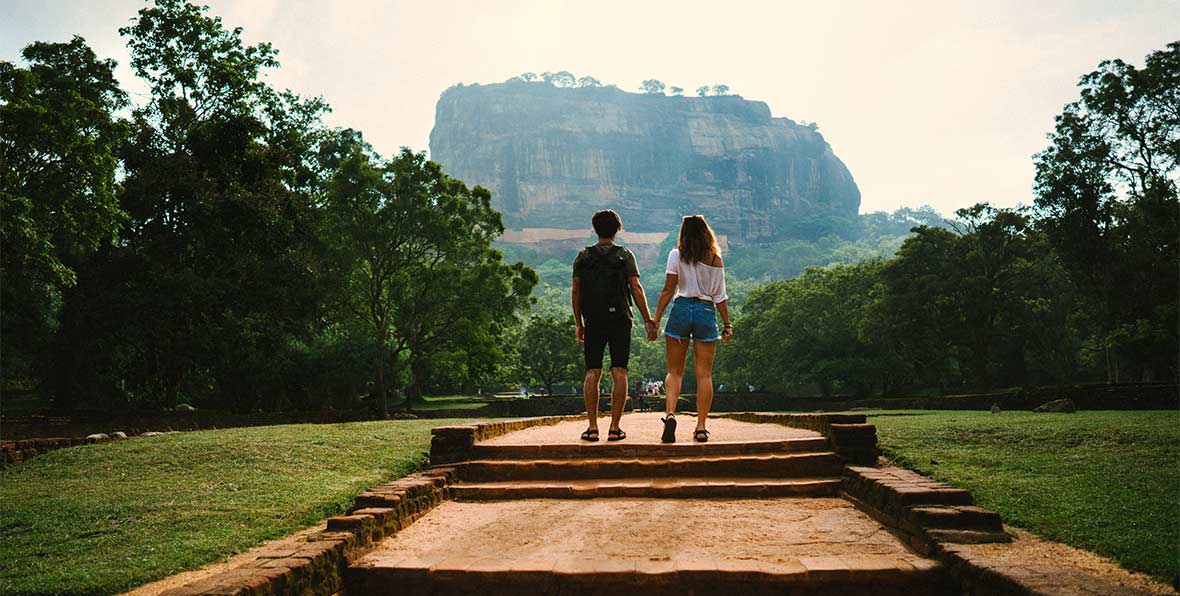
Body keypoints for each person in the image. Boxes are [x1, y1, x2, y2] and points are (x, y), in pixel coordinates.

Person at [572, 210, 657, 441]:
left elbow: (576, 291)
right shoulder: (625, 255)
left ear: (595, 229)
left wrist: (578, 323)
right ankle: (614, 428)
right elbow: (636, 288)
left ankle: (591, 428)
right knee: (619, 371)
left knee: (592, 372)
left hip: (593, 319)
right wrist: (648, 319)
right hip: (620, 319)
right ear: (617, 229)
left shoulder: (582, 256)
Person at [652, 215, 733, 443]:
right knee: (704, 374)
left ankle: (670, 414)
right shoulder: (715, 259)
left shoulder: (676, 255)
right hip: (705, 312)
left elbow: (668, 290)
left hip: (681, 309)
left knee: (674, 372)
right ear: (706, 233)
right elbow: (720, 296)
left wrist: (656, 318)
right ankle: (700, 427)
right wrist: (727, 324)